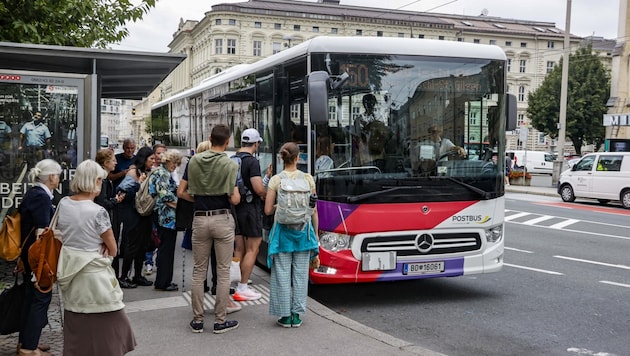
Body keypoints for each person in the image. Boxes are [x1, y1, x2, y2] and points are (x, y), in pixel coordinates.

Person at [56, 160, 136, 356]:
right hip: (94, 277)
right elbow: (113, 249)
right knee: (111, 327)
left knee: (77, 328)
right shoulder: (98, 212)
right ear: (97, 181)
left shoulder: (64, 203)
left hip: (71, 272)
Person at [187, 124, 240, 334]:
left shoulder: (194, 161)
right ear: (227, 142)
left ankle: (198, 320)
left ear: (210, 138)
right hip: (222, 219)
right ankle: (220, 321)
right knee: (223, 271)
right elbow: (233, 198)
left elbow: (185, 191)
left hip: (200, 219)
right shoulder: (229, 164)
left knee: (199, 271)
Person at [264, 142, 319, 328]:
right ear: (297, 158)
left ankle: (285, 317)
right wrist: (316, 236)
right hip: (304, 233)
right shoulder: (308, 179)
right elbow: (314, 210)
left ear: (282, 158)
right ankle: (297, 315)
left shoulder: (276, 180)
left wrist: (281, 207)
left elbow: (267, 210)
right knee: (301, 276)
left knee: (282, 274)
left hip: (282, 234)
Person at [15, 159, 61, 356]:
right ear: (51, 177)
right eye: (57, 175)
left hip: (30, 255)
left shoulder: (35, 193)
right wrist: (41, 264)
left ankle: (27, 341)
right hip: (37, 258)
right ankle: (28, 347)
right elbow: (42, 233)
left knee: (30, 299)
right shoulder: (41, 197)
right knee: (40, 298)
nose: (58, 178)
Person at [232, 128, 268, 302]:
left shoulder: (232, 159)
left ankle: (235, 281)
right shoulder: (252, 162)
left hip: (235, 209)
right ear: (256, 144)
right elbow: (258, 188)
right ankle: (243, 287)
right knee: (253, 248)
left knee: (239, 248)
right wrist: (267, 194)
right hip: (249, 208)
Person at [116, 146, 155, 289]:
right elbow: (121, 192)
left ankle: (137, 275)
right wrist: (138, 184)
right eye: (151, 159)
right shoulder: (133, 173)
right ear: (144, 159)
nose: (153, 161)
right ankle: (124, 276)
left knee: (142, 246)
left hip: (144, 213)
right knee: (131, 246)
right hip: (132, 214)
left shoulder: (146, 172)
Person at [150, 149, 182, 291]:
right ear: (169, 161)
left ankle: (164, 280)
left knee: (166, 249)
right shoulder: (162, 173)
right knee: (166, 250)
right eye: (175, 163)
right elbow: (165, 195)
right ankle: (163, 282)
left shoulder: (161, 172)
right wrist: (180, 206)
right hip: (166, 217)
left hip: (164, 216)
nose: (176, 166)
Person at [94, 149, 125, 277]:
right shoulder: (103, 179)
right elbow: (102, 203)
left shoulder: (104, 178)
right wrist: (115, 200)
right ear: (106, 163)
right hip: (105, 219)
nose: (116, 163)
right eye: (113, 160)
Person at [144, 143, 167, 276]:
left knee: (160, 237)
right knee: (151, 236)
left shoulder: (169, 170)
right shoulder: (150, 168)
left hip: (163, 211)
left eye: (163, 153)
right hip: (152, 208)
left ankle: (159, 262)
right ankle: (148, 262)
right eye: (158, 153)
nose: (160, 156)